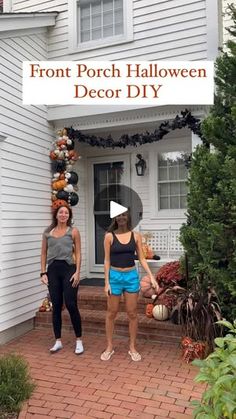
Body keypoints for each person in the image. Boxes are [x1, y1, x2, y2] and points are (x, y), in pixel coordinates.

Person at [101, 210, 159, 362]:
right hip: (114, 277)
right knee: (111, 312)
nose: (121, 218)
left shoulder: (136, 236)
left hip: (131, 276)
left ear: (128, 217)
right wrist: (106, 282)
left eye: (124, 215)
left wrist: (151, 277)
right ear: (115, 218)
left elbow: (142, 258)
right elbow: (107, 261)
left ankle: (132, 347)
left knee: (132, 313)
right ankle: (109, 346)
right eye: (118, 215)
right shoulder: (109, 236)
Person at [40, 205, 83, 354]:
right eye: (61, 212)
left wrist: (78, 272)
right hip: (53, 271)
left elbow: (78, 252)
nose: (63, 215)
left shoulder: (73, 231)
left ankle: (79, 340)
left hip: (69, 269)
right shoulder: (47, 233)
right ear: (56, 215)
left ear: (69, 216)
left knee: (71, 304)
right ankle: (57, 340)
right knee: (56, 306)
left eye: (66, 212)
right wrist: (43, 273)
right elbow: (43, 254)